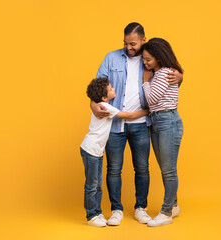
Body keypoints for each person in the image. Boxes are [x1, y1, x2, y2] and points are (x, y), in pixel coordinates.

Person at [91, 22, 183, 226]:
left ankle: (140, 208)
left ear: (143, 40)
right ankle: (116, 210)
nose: (128, 47)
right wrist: (92, 102)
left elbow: (167, 75)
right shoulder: (111, 57)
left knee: (142, 168)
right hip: (115, 124)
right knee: (114, 168)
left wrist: (181, 76)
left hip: (143, 123)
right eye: (125, 43)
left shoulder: (150, 59)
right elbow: (97, 84)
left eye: (132, 43)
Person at [81, 77, 149, 227]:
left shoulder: (104, 104)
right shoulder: (106, 106)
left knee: (97, 184)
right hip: (91, 150)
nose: (114, 89)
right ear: (104, 97)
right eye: (111, 89)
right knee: (92, 184)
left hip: (96, 151)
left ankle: (97, 213)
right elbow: (129, 116)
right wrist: (148, 110)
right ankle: (92, 216)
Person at [141, 38, 184, 227]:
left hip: (168, 122)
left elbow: (152, 99)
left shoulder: (165, 72)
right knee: (165, 169)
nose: (145, 63)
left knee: (169, 170)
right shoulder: (159, 73)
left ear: (158, 57)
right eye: (144, 59)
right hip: (157, 121)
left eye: (148, 59)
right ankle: (173, 205)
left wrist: (145, 82)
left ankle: (166, 212)